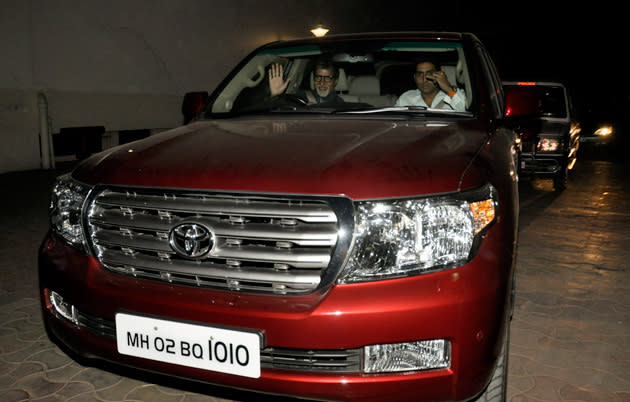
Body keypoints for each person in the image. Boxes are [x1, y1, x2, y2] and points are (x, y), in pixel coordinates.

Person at [395, 60, 466, 111]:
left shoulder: (455, 95)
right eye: (420, 74)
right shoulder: (406, 98)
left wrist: (448, 89)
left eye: (429, 73)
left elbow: (466, 113)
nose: (424, 79)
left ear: (439, 75)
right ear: (415, 77)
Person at [268, 59, 344, 105]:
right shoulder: (302, 97)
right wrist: (275, 95)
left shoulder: (340, 104)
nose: (321, 82)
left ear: (335, 81)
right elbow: (279, 111)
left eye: (327, 78)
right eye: (318, 77)